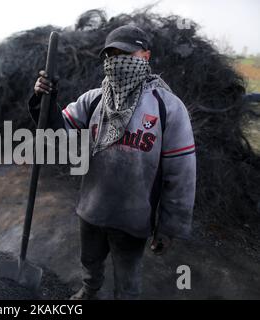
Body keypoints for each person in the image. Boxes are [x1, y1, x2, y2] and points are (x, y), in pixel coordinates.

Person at [29, 25, 196, 299]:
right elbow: (58, 133)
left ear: (145, 56)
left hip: (133, 218)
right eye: (112, 54)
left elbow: (181, 173)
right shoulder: (94, 100)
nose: (118, 60)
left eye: (126, 53)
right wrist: (44, 99)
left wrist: (170, 226)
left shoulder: (167, 107)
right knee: (90, 262)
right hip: (92, 209)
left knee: (127, 280)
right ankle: (89, 290)